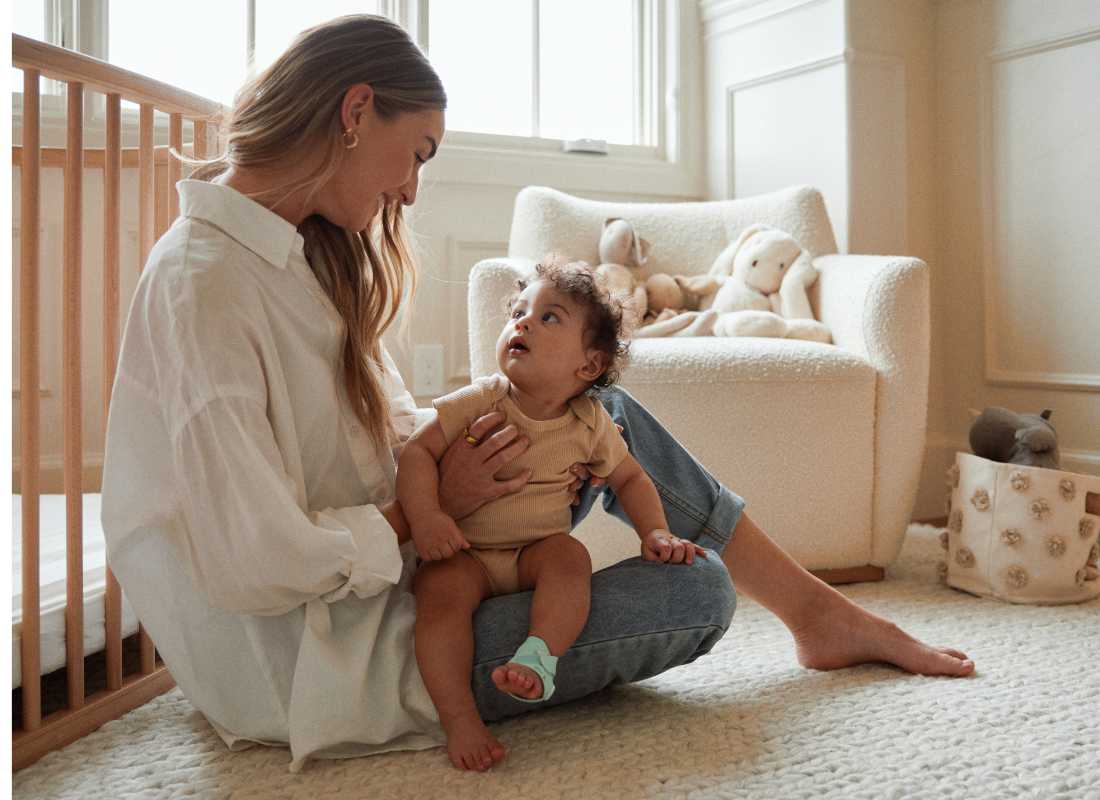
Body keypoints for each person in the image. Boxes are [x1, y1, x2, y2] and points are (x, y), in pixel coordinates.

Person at [100, 13, 975, 777]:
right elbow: (254, 561)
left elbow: (385, 439)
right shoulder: (204, 282)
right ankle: (816, 615)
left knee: (599, 416)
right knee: (700, 594)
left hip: (411, 564)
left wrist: (468, 456)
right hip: (329, 658)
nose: (409, 187)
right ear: (357, 110)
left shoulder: (297, 258)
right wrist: (432, 505)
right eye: (418, 155)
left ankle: (817, 614)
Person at [400, 259, 709, 770]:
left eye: (548, 318)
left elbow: (629, 477)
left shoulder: (591, 422)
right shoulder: (481, 398)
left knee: (569, 557)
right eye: (519, 312)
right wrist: (428, 517)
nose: (521, 323)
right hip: (467, 552)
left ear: (589, 366)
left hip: (532, 553)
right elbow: (416, 453)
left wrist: (654, 530)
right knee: (437, 598)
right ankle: (459, 718)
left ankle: (538, 655)